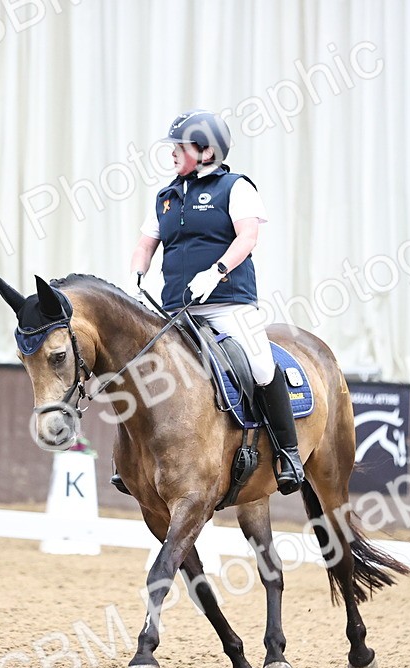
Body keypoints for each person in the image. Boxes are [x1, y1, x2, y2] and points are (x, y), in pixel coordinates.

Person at [121, 109, 304, 495]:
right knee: (142, 370)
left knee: (260, 366)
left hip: (227, 303)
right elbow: (146, 242)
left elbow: (247, 237)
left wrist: (216, 271)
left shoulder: (235, 188)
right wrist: (137, 270)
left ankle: (288, 454)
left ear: (206, 151)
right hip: (175, 308)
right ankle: (132, 462)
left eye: (179, 147)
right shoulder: (167, 197)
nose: (172, 153)